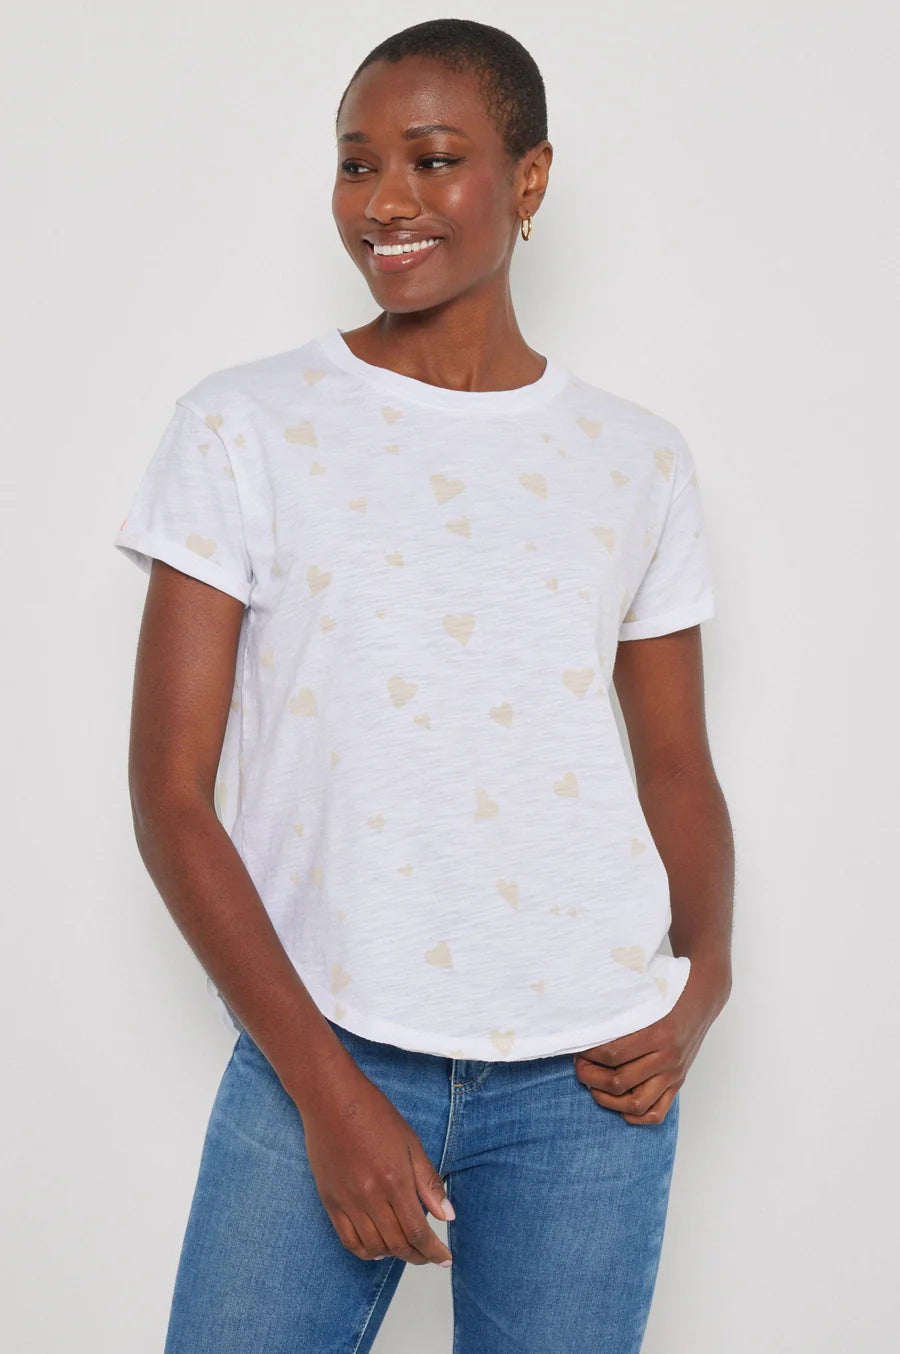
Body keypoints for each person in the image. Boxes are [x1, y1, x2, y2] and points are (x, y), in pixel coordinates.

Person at [113, 18, 734, 1354]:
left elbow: (677, 762)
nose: (385, 201)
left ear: (530, 177)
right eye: (357, 164)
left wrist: (706, 981)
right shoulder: (242, 427)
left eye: (434, 158)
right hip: (320, 1040)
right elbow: (170, 793)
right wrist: (326, 1092)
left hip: (588, 1079)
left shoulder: (636, 458)